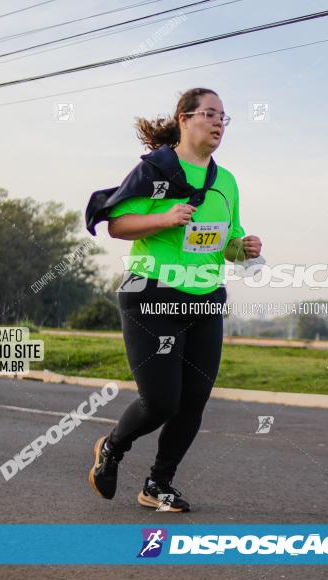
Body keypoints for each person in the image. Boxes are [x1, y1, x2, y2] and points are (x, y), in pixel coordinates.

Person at [88, 88, 262, 512]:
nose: (219, 123)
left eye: (224, 117)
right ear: (184, 119)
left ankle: (158, 484)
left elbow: (226, 241)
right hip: (151, 293)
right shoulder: (156, 169)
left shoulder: (227, 181)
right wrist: (163, 218)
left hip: (204, 299)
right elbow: (117, 224)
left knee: (194, 401)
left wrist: (245, 248)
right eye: (209, 114)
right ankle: (111, 448)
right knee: (161, 401)